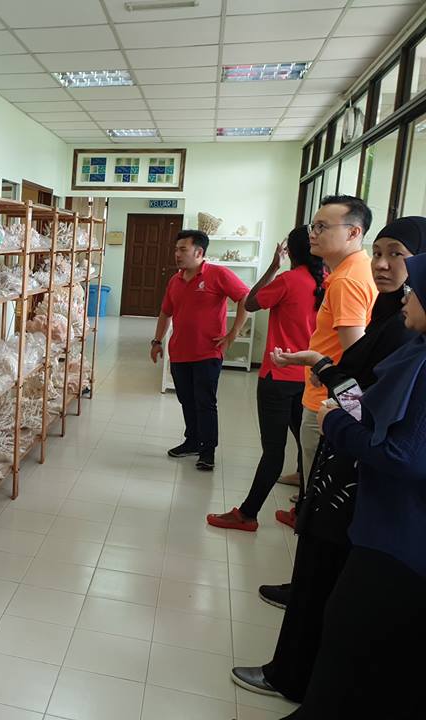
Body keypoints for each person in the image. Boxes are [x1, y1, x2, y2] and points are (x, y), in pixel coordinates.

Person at [230, 217, 426, 703]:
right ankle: (296, 664)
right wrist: (321, 367)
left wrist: (337, 412)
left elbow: (392, 438)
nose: (384, 265)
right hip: (356, 485)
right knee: (321, 576)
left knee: (338, 602)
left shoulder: (399, 333)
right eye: (380, 251)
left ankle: (294, 675)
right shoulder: (390, 313)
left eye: (397, 255)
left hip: (376, 505)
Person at [207, 226, 325, 531]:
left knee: (273, 450)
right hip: (313, 376)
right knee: (305, 444)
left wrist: (274, 266)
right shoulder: (328, 282)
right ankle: (302, 510)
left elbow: (251, 302)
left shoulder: (289, 279)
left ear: (292, 252)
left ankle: (247, 513)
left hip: (279, 373)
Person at [274, 195, 377, 531]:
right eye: (312, 226)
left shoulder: (346, 281)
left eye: (322, 227)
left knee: (319, 499)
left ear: (353, 233)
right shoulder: (355, 270)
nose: (313, 234)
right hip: (332, 398)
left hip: (327, 404)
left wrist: (323, 368)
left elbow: (356, 355)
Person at [151, 229, 249, 471]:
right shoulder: (175, 280)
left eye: (182, 249)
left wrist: (232, 335)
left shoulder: (218, 274)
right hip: (179, 352)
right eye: (176, 249)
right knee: (186, 400)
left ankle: (207, 451)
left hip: (208, 353)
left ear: (199, 252)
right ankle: (192, 441)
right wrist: (156, 341)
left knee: (205, 402)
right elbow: (166, 312)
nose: (177, 254)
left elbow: (245, 298)